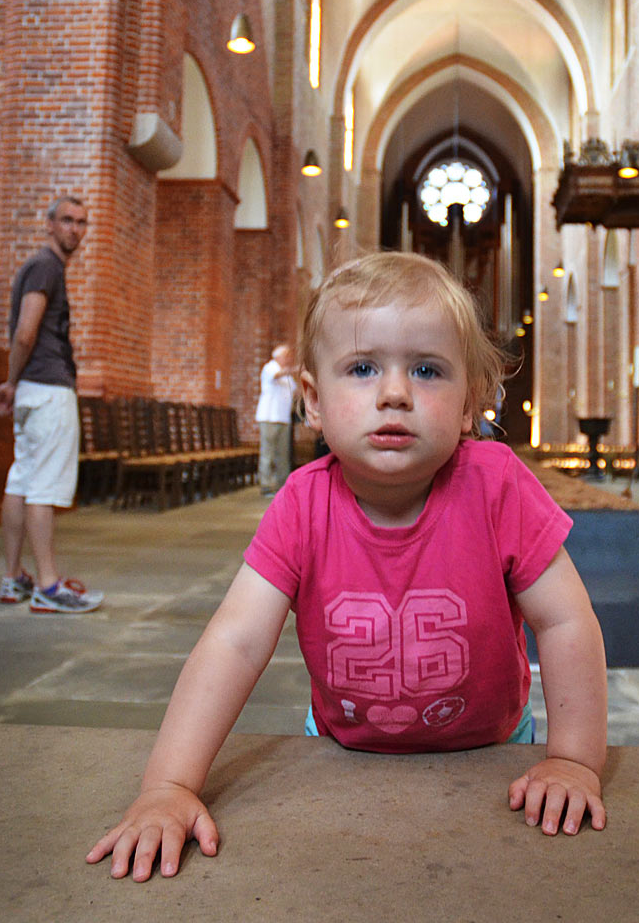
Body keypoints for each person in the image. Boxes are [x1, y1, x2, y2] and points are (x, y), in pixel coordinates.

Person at [87, 251, 607, 882]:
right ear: (313, 399)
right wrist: (168, 784)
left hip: (491, 751)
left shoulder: (498, 486)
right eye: (362, 368)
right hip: (342, 745)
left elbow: (565, 622)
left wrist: (574, 761)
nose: (394, 393)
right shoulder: (304, 503)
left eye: (427, 370)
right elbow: (236, 642)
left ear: (470, 402)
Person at [0, 195, 103, 613]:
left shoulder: (42, 267)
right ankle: (49, 586)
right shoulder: (46, 266)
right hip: (48, 389)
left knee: (21, 481)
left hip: (32, 389)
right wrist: (12, 381)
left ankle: (13, 578)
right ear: (49, 225)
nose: (75, 229)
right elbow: (25, 332)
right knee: (42, 488)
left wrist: (16, 384)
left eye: (81, 222)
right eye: (67, 221)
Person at [255, 343, 297, 496]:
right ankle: (265, 485)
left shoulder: (288, 377)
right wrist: (295, 369)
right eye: (286, 355)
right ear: (278, 356)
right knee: (268, 452)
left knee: (282, 453)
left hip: (283, 418)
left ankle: (282, 486)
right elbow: (276, 376)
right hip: (269, 417)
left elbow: (295, 392)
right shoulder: (270, 367)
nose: (289, 358)